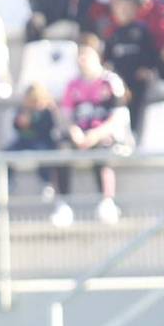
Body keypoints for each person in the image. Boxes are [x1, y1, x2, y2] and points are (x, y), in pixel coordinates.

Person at [60, 36, 131, 225]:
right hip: (81, 136)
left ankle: (107, 201)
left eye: (86, 55)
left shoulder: (110, 82)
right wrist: (73, 130)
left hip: (106, 136)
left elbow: (118, 117)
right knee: (61, 149)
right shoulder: (72, 85)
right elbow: (65, 116)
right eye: (79, 56)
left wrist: (96, 134)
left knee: (101, 147)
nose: (81, 60)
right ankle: (63, 204)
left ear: (98, 56)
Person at [7, 82, 69, 224]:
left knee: (43, 153)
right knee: (8, 151)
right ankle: (9, 181)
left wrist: (33, 122)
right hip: (24, 141)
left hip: (42, 141)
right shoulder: (22, 110)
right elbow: (15, 126)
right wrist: (21, 121)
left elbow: (47, 128)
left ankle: (46, 182)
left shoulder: (46, 112)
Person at [105, 0, 156, 138]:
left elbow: (149, 51)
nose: (123, 12)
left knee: (137, 100)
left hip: (137, 77)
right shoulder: (113, 34)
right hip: (119, 79)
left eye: (127, 8)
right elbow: (108, 59)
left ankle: (134, 132)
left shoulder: (141, 30)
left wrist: (146, 68)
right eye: (120, 8)